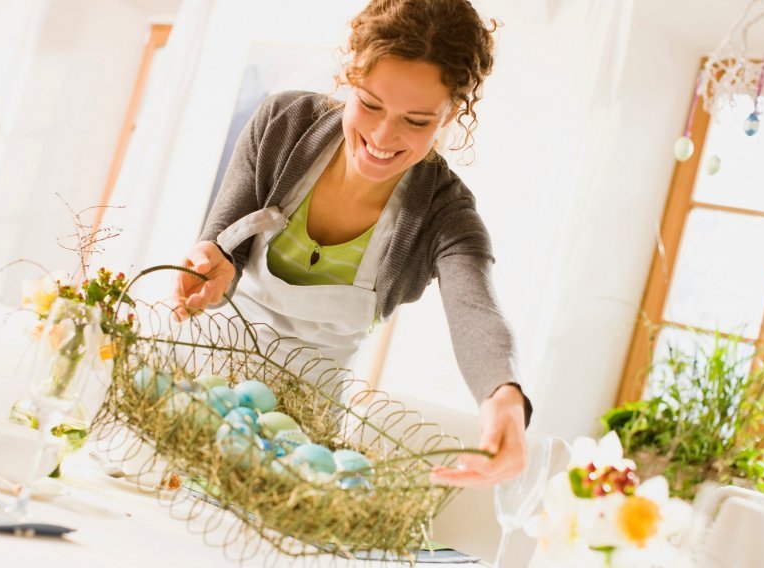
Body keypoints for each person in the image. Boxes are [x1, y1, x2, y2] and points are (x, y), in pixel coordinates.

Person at [172, 0, 532, 487]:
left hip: (299, 443)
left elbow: (476, 311)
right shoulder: (283, 124)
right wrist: (206, 263)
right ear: (349, 75)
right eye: (371, 104)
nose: (383, 137)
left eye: (418, 120)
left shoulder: (445, 214)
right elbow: (220, 243)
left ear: (453, 113)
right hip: (195, 383)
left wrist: (503, 397)